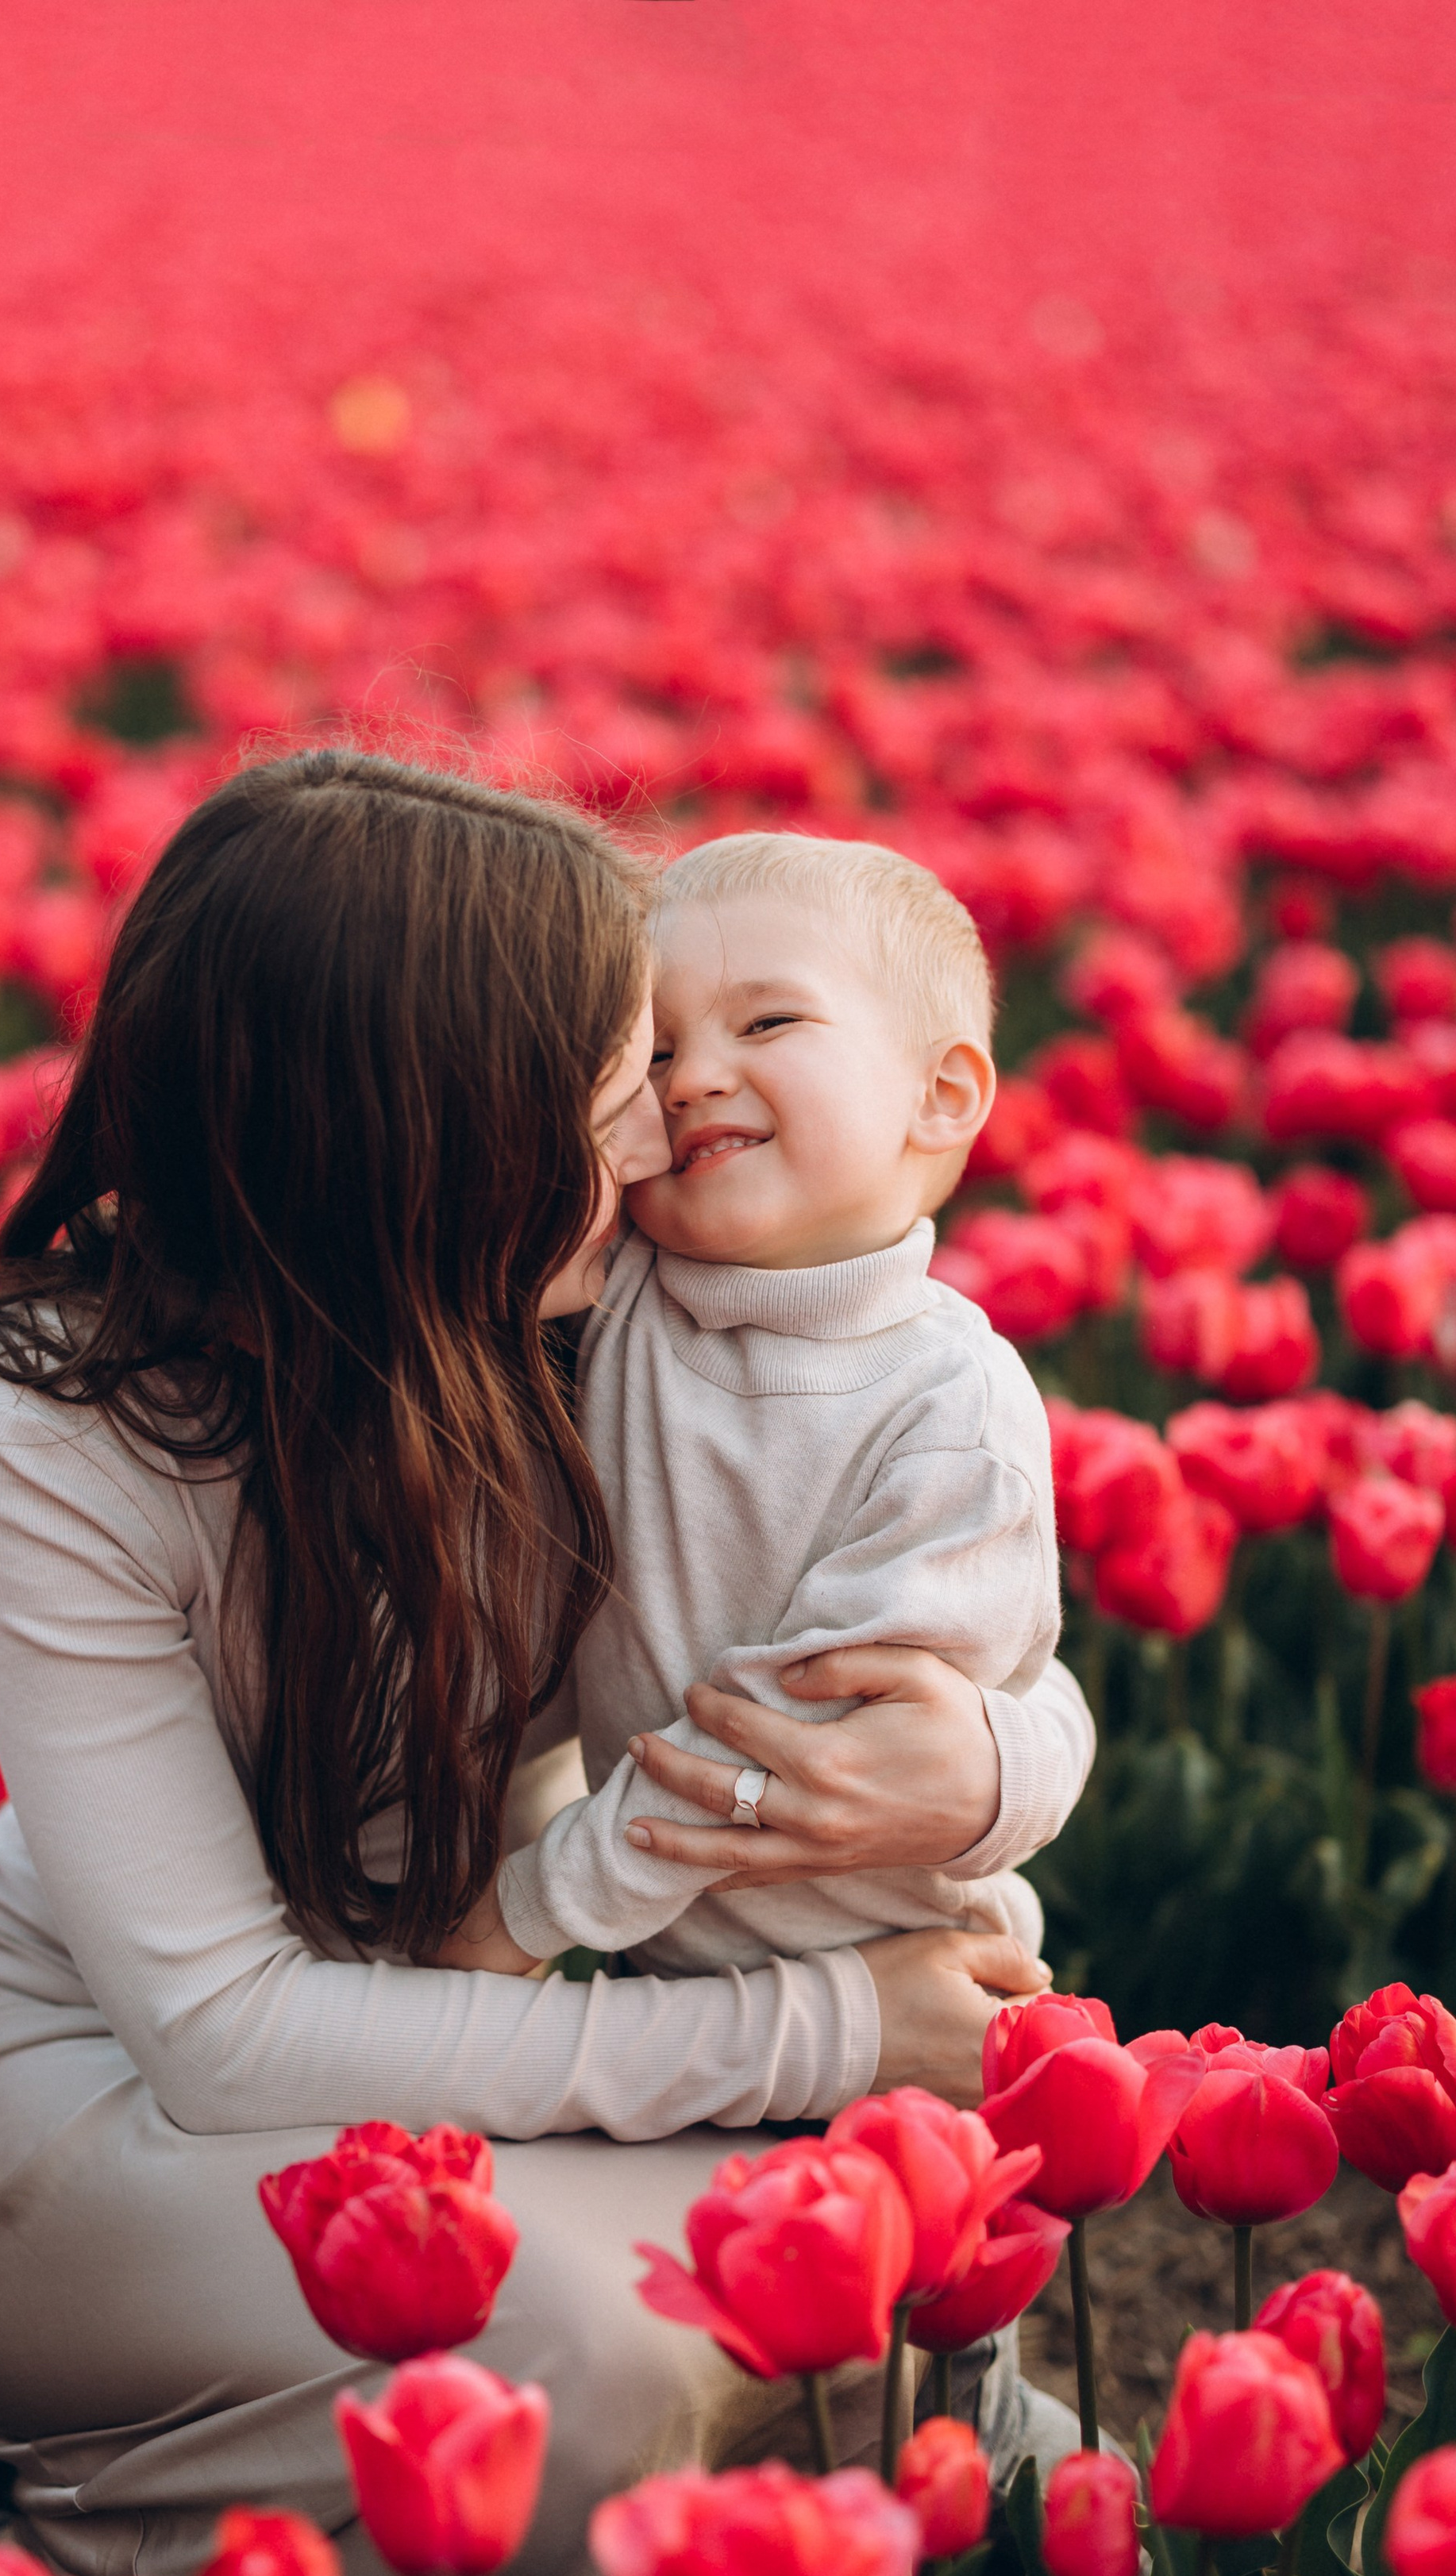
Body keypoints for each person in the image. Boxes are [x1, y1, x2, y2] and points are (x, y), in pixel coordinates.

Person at [0, 751, 1092, 2576]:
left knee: (835, 2258)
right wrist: (815, 2028)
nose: (663, 1133)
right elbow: (222, 2027)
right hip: (107, 2089)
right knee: (586, 2359)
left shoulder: (577, 1314)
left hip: (467, 2037)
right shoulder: (64, 1423)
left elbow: (924, 1545)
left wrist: (1000, 1757)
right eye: (611, 1091)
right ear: (423, 1141)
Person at [443, 830, 1059, 1987]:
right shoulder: (614, 1298)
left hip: (906, 1979)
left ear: (942, 1094)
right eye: (655, 1051)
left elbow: (794, 1734)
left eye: (767, 1023)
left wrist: (530, 1908)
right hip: (662, 1965)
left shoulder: (950, 1412)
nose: (688, 1081)